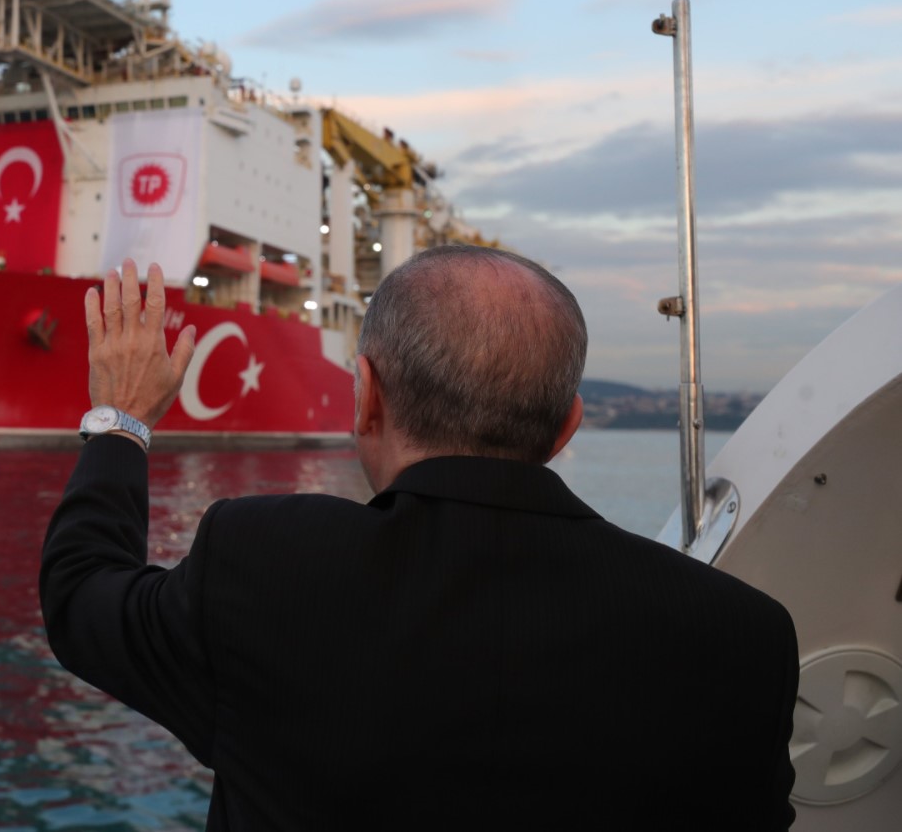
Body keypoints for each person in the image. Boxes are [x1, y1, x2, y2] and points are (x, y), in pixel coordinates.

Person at [42, 249, 798, 829]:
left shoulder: (265, 563)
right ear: (569, 425)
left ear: (364, 396)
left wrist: (122, 420)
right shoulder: (743, 636)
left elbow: (79, 594)